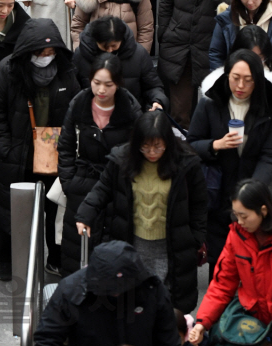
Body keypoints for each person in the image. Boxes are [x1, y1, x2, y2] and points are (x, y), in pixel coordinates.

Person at [75, 111, 207, 312]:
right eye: (145, 146)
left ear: (168, 142)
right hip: (132, 242)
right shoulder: (122, 160)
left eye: (158, 146)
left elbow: (200, 204)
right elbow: (101, 189)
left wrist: (195, 239)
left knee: (166, 304)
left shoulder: (186, 164)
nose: (152, 152)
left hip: (171, 247)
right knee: (131, 302)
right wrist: (85, 215)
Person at [0, 18, 80, 280]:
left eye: (51, 52)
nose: (46, 57)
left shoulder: (66, 71)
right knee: (11, 211)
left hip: (54, 156)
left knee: (54, 211)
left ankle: (56, 259)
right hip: (18, 156)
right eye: (40, 52)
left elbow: (76, 110)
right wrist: (5, 147)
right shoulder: (8, 71)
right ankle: (7, 261)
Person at [187, 50, 272, 270]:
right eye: (235, 78)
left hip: (252, 199)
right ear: (227, 76)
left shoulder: (270, 107)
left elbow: (271, 154)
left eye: (248, 80)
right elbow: (190, 144)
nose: (240, 86)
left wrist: (251, 191)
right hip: (217, 195)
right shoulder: (210, 103)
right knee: (221, 267)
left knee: (253, 265)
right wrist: (215, 145)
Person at [189, 180, 272, 346]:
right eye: (236, 215)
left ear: (263, 211)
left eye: (244, 216)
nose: (240, 221)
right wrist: (202, 322)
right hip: (253, 328)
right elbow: (222, 283)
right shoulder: (238, 235)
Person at [58, 55, 143, 274]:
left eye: (108, 85)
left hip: (117, 185)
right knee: (76, 249)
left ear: (118, 84)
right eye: (97, 83)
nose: (101, 90)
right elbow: (66, 144)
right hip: (82, 183)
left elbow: (138, 149)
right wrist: (68, 181)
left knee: (112, 250)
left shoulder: (130, 108)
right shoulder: (79, 103)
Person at [158, 0, 241, 127]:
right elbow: (165, 2)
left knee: (212, 110)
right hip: (179, 45)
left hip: (212, 47)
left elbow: (234, 10)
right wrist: (165, 34)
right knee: (179, 111)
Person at [34, 239, 180, 346]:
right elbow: (47, 338)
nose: (116, 294)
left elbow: (168, 339)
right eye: (109, 290)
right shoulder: (71, 291)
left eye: (123, 289)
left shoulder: (152, 289)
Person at [74, 14, 168, 109]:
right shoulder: (81, 54)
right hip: (91, 115)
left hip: (130, 114)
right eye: (105, 46)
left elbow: (152, 86)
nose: (109, 50)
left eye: (114, 46)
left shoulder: (138, 54)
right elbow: (73, 90)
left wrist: (157, 101)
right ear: (96, 40)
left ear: (121, 39)